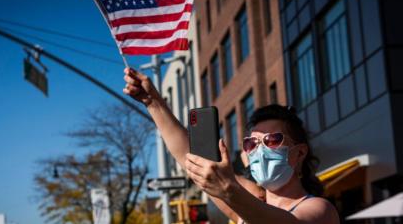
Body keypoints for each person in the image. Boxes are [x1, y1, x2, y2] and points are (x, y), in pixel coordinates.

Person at [123, 68, 340, 224]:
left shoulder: (320, 210)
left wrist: (229, 191)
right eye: (251, 143)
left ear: (300, 151)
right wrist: (152, 102)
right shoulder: (248, 203)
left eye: (272, 140)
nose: (260, 150)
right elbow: (190, 158)